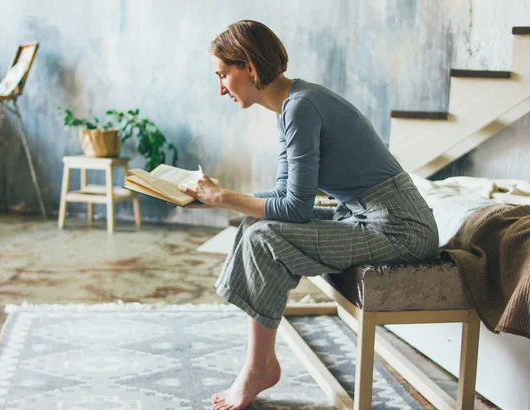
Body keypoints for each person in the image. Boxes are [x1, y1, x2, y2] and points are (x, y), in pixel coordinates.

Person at [179, 19, 439, 410]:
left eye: (222, 75)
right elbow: (286, 197)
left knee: (264, 238)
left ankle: (258, 369)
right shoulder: (292, 106)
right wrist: (210, 198)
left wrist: (224, 197)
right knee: (256, 224)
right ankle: (262, 363)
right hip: (366, 217)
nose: (220, 89)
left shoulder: (301, 107)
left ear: (248, 67)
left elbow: (294, 209)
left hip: (401, 228)